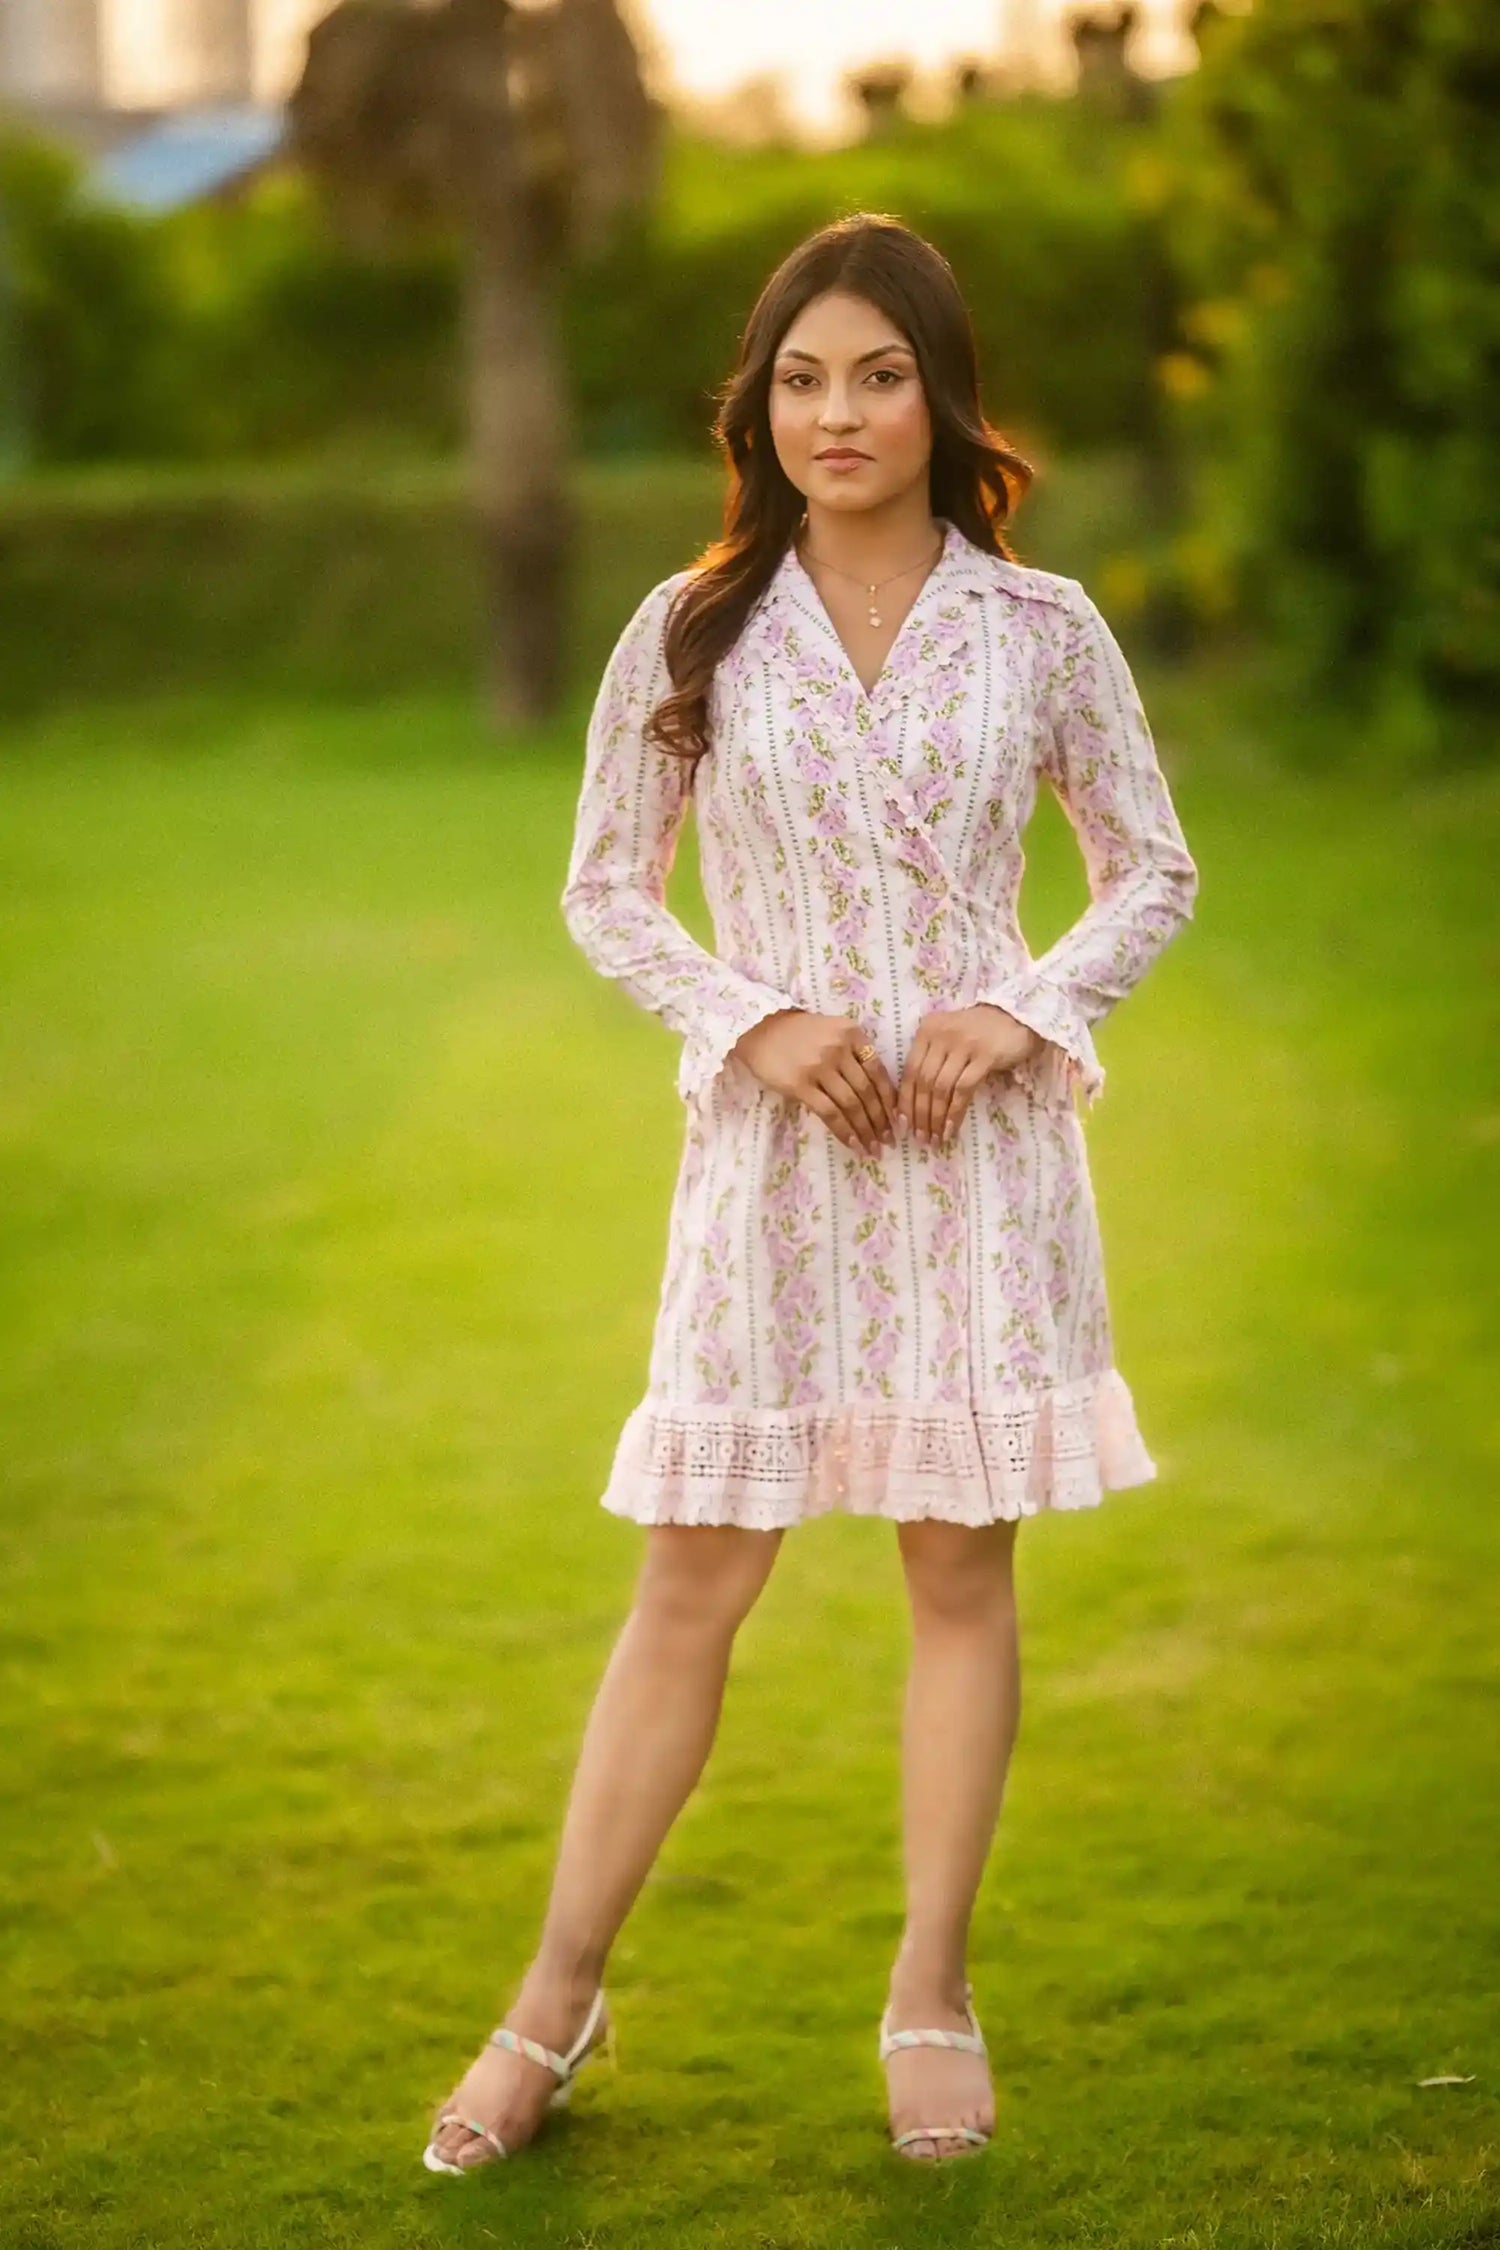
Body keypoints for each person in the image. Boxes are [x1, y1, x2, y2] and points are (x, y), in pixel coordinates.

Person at [423, 210, 1199, 2175]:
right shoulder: (691, 628)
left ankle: (932, 1989)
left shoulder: (1043, 632)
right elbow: (608, 884)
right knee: (694, 1576)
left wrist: (1023, 1009)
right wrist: (753, 1015)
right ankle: (551, 2003)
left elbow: (1152, 868)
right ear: (756, 405)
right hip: (767, 1179)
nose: (837, 413)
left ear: (943, 399)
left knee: (959, 1568)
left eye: (878, 374)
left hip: (977, 1175)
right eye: (799, 377)